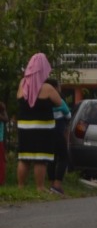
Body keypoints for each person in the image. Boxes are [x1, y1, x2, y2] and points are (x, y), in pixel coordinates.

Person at [15, 53, 64, 192]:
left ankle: (20, 187)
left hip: (24, 127)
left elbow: (19, 99)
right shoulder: (47, 88)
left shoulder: (22, 84)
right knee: (40, 159)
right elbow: (59, 102)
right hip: (42, 128)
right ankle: (40, 187)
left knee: (24, 157)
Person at [46, 77, 71, 195]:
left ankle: (51, 183)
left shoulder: (44, 100)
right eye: (59, 86)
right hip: (58, 131)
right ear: (55, 88)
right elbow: (68, 115)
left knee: (51, 158)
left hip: (47, 131)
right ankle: (57, 185)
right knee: (64, 157)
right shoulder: (59, 100)